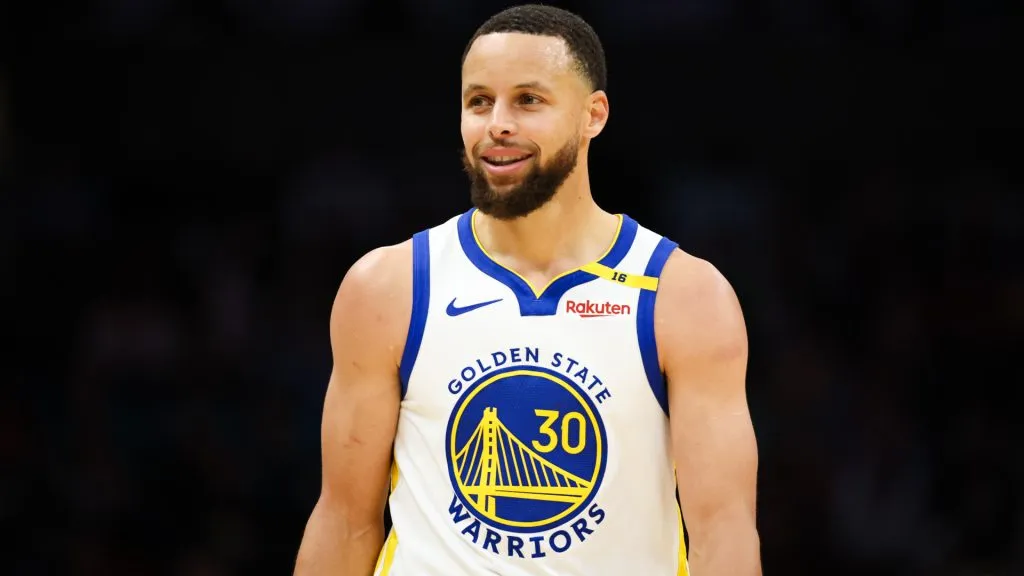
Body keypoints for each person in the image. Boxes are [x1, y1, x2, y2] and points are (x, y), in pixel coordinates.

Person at [293, 4, 761, 575]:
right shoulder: (390, 287)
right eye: (478, 101)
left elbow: (724, 533)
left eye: (528, 100)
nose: (497, 124)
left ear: (594, 115)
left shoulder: (683, 296)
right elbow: (344, 521)